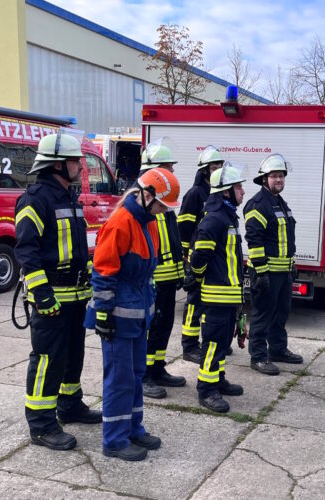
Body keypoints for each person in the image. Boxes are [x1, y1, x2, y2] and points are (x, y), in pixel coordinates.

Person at [84, 167, 180, 461]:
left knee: (136, 374)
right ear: (146, 195)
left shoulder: (148, 221)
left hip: (137, 313)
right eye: (162, 205)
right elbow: (103, 272)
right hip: (117, 316)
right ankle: (114, 439)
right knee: (119, 378)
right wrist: (103, 315)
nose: (164, 211)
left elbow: (146, 273)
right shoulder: (120, 223)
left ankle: (133, 429)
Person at [15, 131, 101, 451]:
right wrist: (41, 294)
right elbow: (26, 252)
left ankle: (69, 404)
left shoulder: (69, 197)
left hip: (76, 296)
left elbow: (77, 250)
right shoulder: (35, 200)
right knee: (48, 360)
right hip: (52, 298)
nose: (80, 164)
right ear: (56, 165)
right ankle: (41, 424)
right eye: (74, 160)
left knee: (72, 356)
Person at [185, 162, 246, 413]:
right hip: (215, 296)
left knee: (222, 342)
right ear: (225, 192)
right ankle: (206, 390)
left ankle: (217, 379)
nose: (243, 191)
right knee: (212, 343)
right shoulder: (215, 220)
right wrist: (196, 278)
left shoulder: (228, 217)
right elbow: (199, 258)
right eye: (238, 187)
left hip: (228, 296)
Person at [244, 153, 302, 376]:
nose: (279, 180)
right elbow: (254, 240)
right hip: (266, 272)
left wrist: (292, 265)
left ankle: (277, 349)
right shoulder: (258, 204)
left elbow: (287, 240)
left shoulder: (280, 203)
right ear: (264, 179)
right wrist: (261, 272)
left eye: (281, 176)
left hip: (283, 273)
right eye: (274, 176)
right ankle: (258, 356)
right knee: (263, 314)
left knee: (281, 313)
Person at [139, 140, 187, 400]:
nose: (171, 172)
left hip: (169, 276)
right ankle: (144, 374)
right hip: (154, 278)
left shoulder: (164, 199)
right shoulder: (143, 199)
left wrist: (180, 270)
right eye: (167, 167)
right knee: (151, 327)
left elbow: (172, 239)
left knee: (165, 325)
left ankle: (157, 368)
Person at [177, 146, 225, 364]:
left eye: (220, 166)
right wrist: (186, 259)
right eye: (214, 166)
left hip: (211, 259)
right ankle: (189, 345)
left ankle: (209, 342)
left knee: (207, 304)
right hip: (194, 257)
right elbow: (184, 229)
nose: (217, 169)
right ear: (205, 169)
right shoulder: (195, 194)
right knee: (194, 303)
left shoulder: (216, 192)